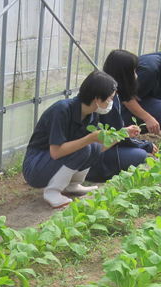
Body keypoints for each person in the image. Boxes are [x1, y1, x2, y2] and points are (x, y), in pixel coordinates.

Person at [22, 70, 123, 208]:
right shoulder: (62, 110)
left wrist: (122, 135)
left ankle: (73, 185)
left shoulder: (91, 115)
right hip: (36, 167)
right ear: (97, 99)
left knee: (91, 147)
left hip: (51, 163)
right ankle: (52, 192)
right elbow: (56, 152)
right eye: (110, 98)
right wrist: (89, 139)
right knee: (85, 147)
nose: (111, 102)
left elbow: (97, 149)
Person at [86, 49, 157, 182]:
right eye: (134, 72)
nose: (136, 76)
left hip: (94, 148)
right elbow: (118, 135)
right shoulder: (108, 100)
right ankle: (96, 173)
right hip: (95, 154)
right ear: (124, 74)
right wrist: (144, 145)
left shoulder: (107, 91)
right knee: (141, 155)